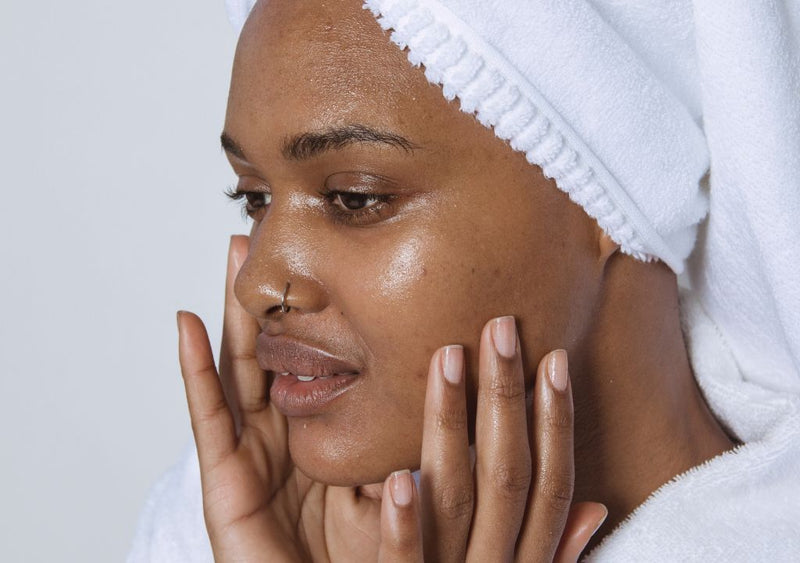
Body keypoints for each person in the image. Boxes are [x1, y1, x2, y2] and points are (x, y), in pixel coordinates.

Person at [129, 0, 800, 561]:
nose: (258, 283)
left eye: (355, 198)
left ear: (605, 196)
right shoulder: (217, 527)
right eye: (253, 196)